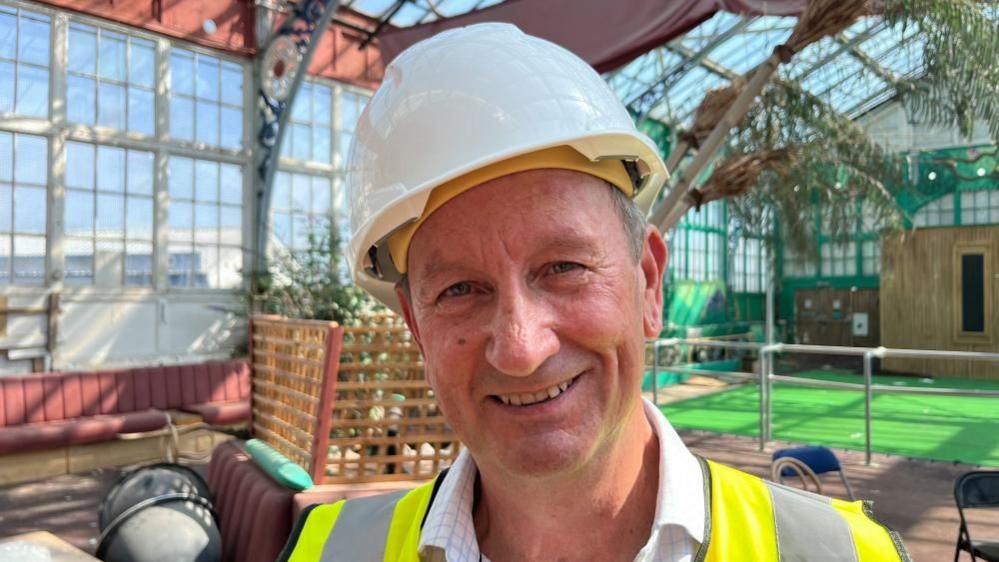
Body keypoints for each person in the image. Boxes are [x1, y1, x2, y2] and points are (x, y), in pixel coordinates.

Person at [279, 23, 910, 562]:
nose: (521, 348)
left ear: (649, 284)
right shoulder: (327, 550)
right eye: (461, 289)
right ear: (417, 327)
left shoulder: (838, 553)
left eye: (564, 267)